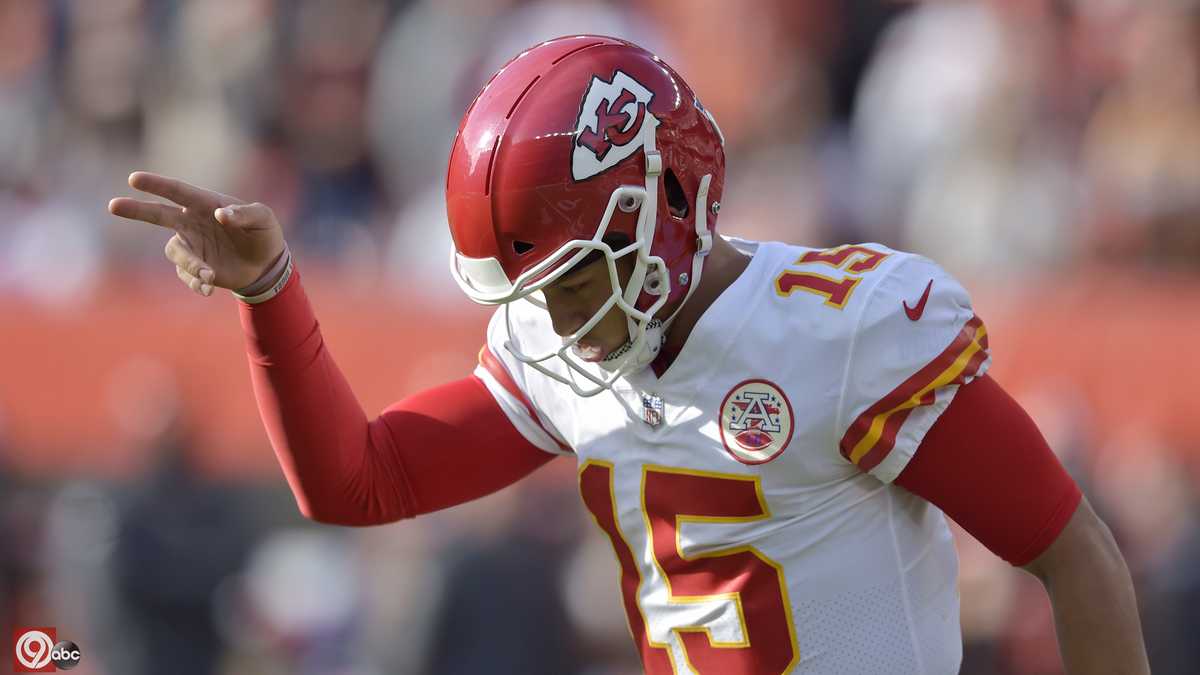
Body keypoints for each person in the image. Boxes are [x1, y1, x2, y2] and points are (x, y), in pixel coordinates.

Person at [110, 35, 1149, 675]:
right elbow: (358, 480)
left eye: (572, 278)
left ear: (668, 202)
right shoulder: (562, 355)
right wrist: (268, 289)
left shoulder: (848, 337)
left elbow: (1074, 554)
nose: (557, 320)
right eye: (537, 291)